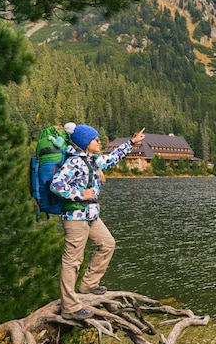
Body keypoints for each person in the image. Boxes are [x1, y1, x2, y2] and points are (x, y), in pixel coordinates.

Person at [50, 122, 146, 320]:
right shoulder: (75, 162)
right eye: (96, 139)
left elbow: (112, 159)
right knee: (72, 261)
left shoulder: (92, 159)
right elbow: (56, 185)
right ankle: (69, 306)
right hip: (76, 217)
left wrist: (131, 142)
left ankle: (88, 285)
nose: (99, 141)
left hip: (91, 215)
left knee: (108, 244)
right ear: (86, 143)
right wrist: (80, 194)